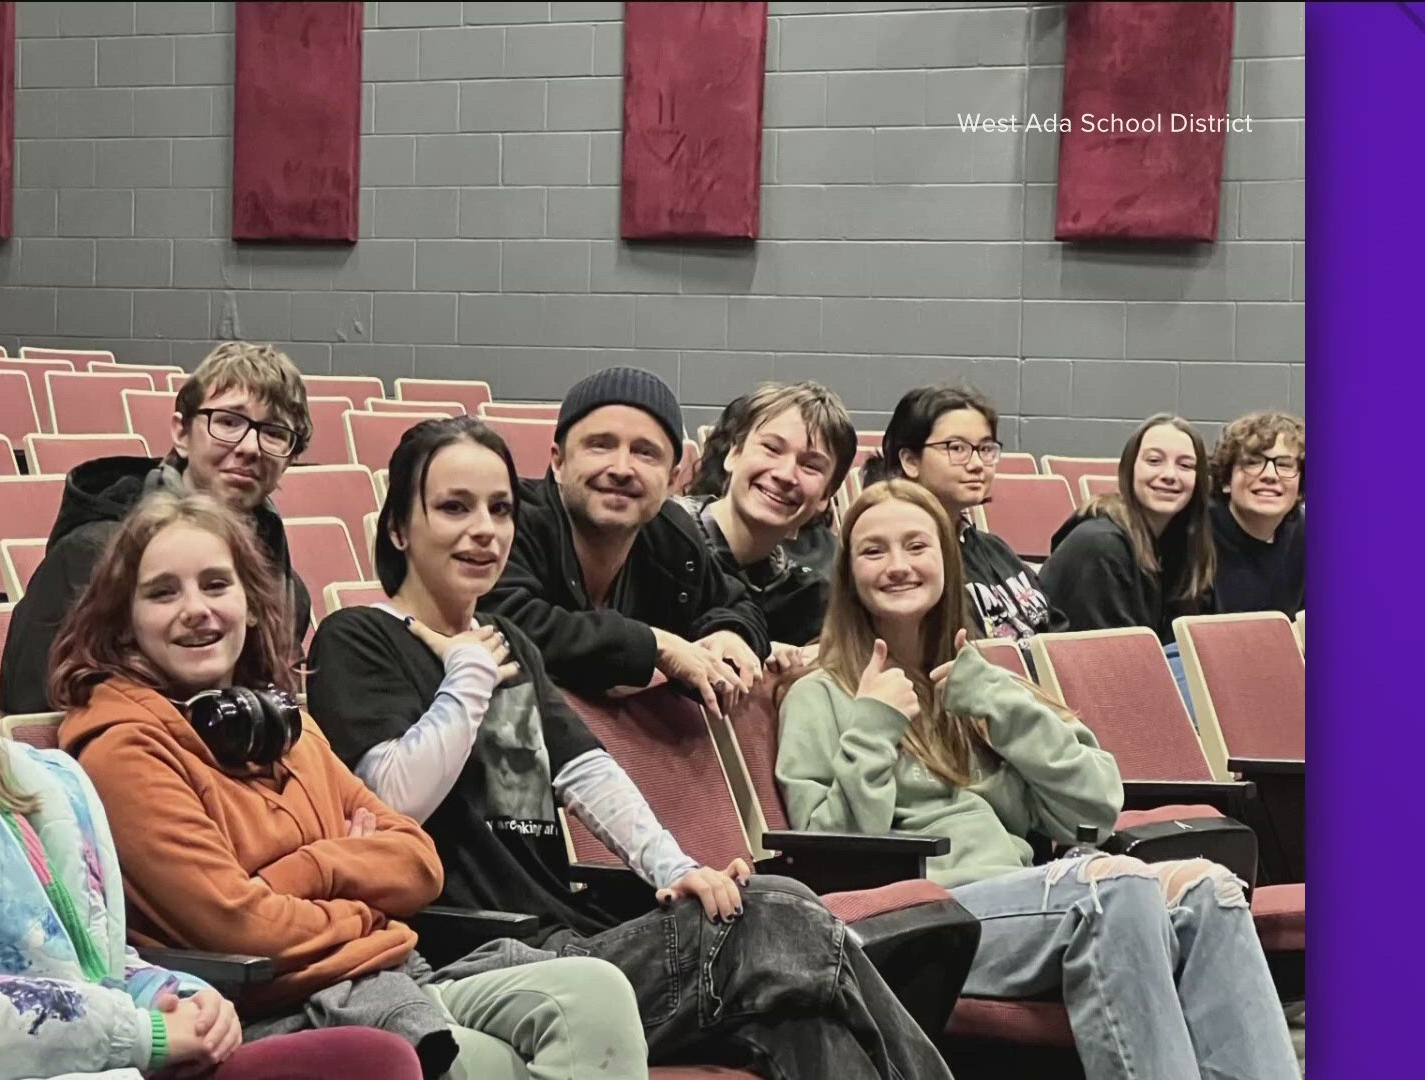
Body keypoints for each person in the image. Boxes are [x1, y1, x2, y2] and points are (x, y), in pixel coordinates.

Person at [308, 417, 955, 1080]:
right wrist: (468, 677)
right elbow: (393, 798)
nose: (485, 530)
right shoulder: (358, 638)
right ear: (397, 529)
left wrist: (676, 869)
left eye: (500, 509)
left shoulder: (511, 643)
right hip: (468, 953)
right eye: (453, 507)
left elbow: (589, 773)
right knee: (782, 910)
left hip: (565, 936)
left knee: (802, 1025)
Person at [49, 490, 650, 1080]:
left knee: (593, 994)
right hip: (271, 1013)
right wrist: (366, 897)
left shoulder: (283, 723)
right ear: (125, 623)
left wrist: (308, 872)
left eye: (215, 584)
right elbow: (239, 925)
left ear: (251, 604)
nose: (197, 609)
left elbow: (419, 863)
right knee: (487, 1065)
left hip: (380, 977)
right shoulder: (124, 746)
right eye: (162, 593)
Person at [0, 494, 423, 1080]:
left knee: (372, 1060)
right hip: (53, 1062)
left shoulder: (25, 773)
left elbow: (96, 956)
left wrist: (175, 991)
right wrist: (142, 1031)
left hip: (115, 1060)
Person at [776, 480, 1300, 1080]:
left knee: (1209, 890)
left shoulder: (978, 683)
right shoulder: (821, 693)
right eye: (874, 551)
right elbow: (835, 851)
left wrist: (1002, 707)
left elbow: (1098, 804)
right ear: (849, 574)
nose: (898, 565)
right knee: (1116, 888)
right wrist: (874, 725)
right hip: (915, 924)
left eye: (917, 546)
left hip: (1025, 900)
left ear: (947, 559)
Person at [0, 341, 315, 715]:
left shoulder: (287, 589)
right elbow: (34, 720)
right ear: (181, 433)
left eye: (275, 432)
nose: (250, 447)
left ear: (290, 457)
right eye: (229, 422)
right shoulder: (88, 556)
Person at [479, 366, 770, 715]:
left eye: (645, 452)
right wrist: (654, 645)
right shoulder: (507, 520)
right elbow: (503, 624)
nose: (621, 468)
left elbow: (738, 604)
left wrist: (731, 632)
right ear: (558, 462)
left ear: (672, 478)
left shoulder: (673, 538)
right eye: (600, 445)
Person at [674, 382, 855, 661]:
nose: (785, 474)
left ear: (826, 496)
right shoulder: (658, 536)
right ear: (734, 454)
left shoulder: (805, 598)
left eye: (810, 465)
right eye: (771, 448)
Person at [866, 386, 1062, 641]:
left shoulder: (993, 549)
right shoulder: (907, 567)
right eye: (956, 448)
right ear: (911, 461)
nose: (977, 464)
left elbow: (1060, 635)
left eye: (985, 449)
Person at [1039, 413, 1216, 645]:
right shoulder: (1099, 546)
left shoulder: (1181, 546)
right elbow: (1113, 661)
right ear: (1129, 469)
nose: (1170, 475)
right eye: (1154, 461)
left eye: (1185, 465)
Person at [1209, 411, 1305, 616]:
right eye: (1252, 462)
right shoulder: (1194, 534)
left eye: (1285, 465)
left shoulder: (1308, 537)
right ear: (1226, 480)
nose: (1270, 475)